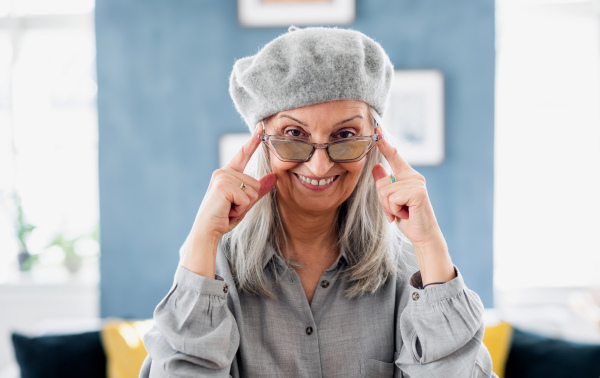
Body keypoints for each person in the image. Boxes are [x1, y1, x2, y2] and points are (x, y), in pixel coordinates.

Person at [140, 26, 497, 378]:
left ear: (374, 141)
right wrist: (201, 237)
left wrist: (429, 241)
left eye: (345, 135)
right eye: (294, 134)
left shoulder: (411, 272)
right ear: (261, 139)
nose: (320, 164)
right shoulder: (212, 270)